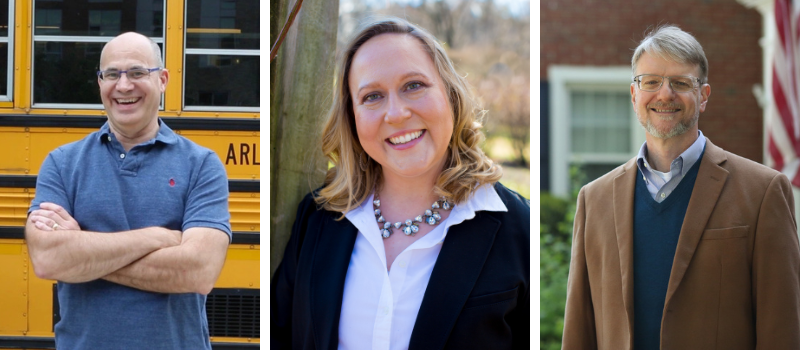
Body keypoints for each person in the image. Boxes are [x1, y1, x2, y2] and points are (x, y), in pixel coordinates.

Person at [271, 17, 530, 350]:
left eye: (413, 86)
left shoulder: (517, 227)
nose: (396, 113)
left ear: (450, 94)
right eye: (372, 96)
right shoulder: (317, 219)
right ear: (352, 117)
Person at [561, 24, 800, 349]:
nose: (665, 94)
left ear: (702, 96)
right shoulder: (594, 200)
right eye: (651, 82)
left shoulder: (763, 191)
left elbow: (782, 331)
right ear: (634, 95)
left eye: (680, 82)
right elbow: (579, 329)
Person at [24, 32, 232, 349]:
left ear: (162, 80)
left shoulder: (201, 164)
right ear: (100, 83)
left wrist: (82, 255)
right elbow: (47, 259)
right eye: (111, 74)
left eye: (137, 72)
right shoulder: (62, 163)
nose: (123, 86)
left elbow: (198, 271)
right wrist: (158, 237)